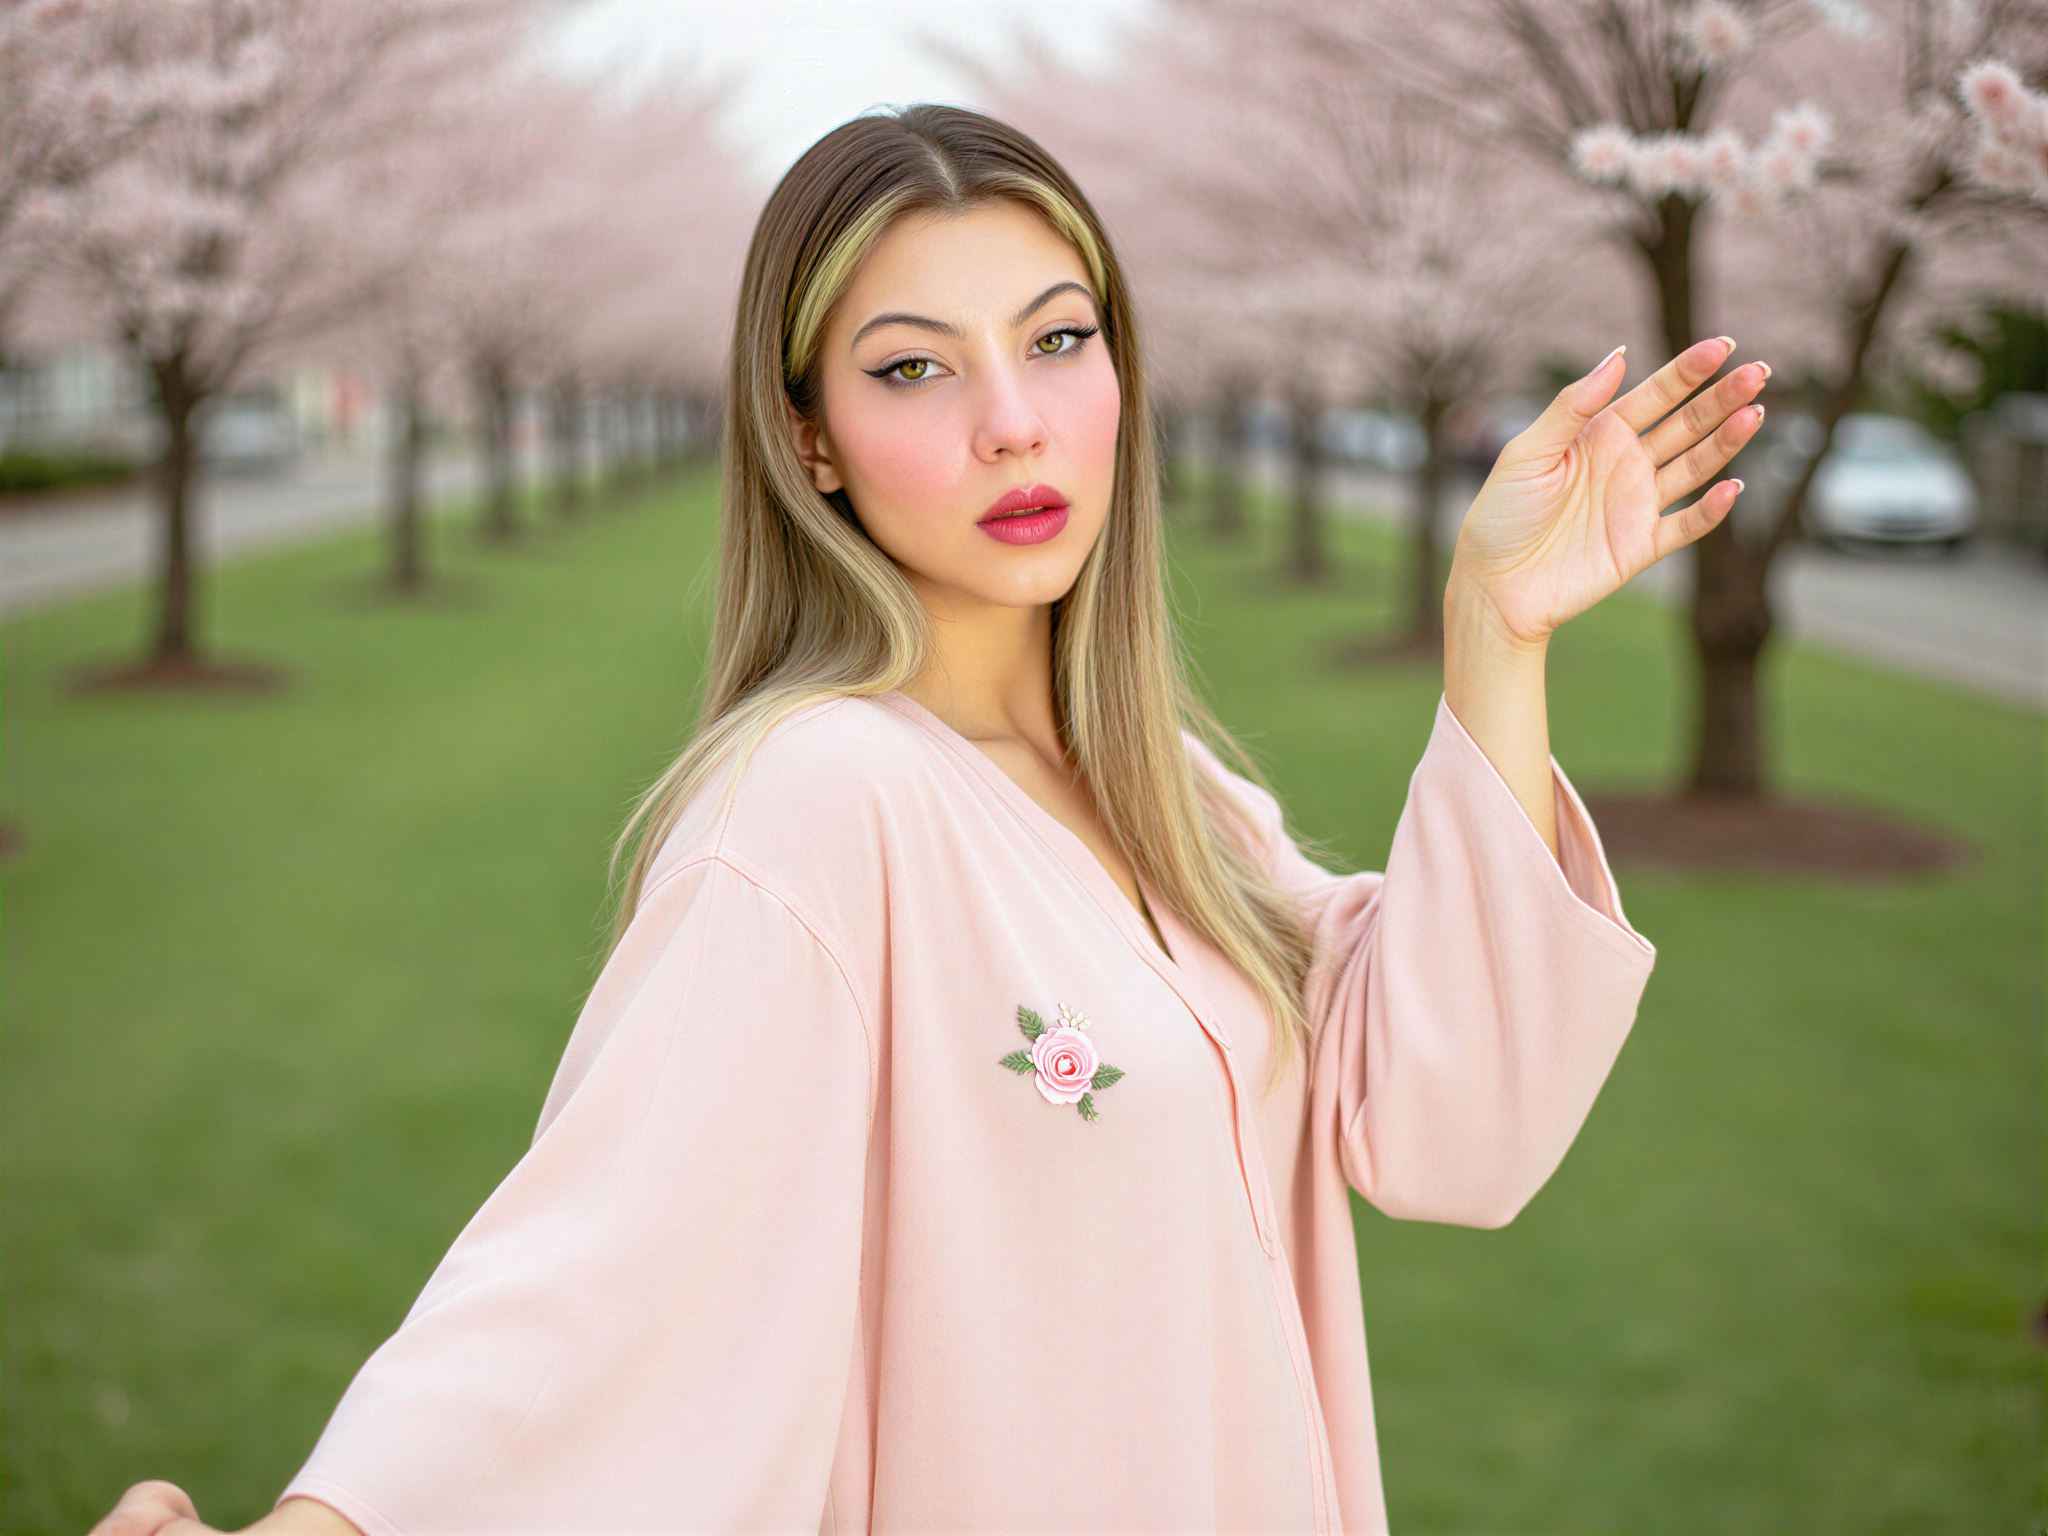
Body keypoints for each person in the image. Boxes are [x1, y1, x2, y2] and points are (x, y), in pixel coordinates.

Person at [93, 104, 1767, 1536]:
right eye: (914, 368)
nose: (1013, 422)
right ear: (810, 438)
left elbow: (1449, 1126)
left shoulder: (1176, 800)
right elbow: (606, 1268)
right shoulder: (820, 803)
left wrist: (1496, 630)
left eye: (1057, 339)